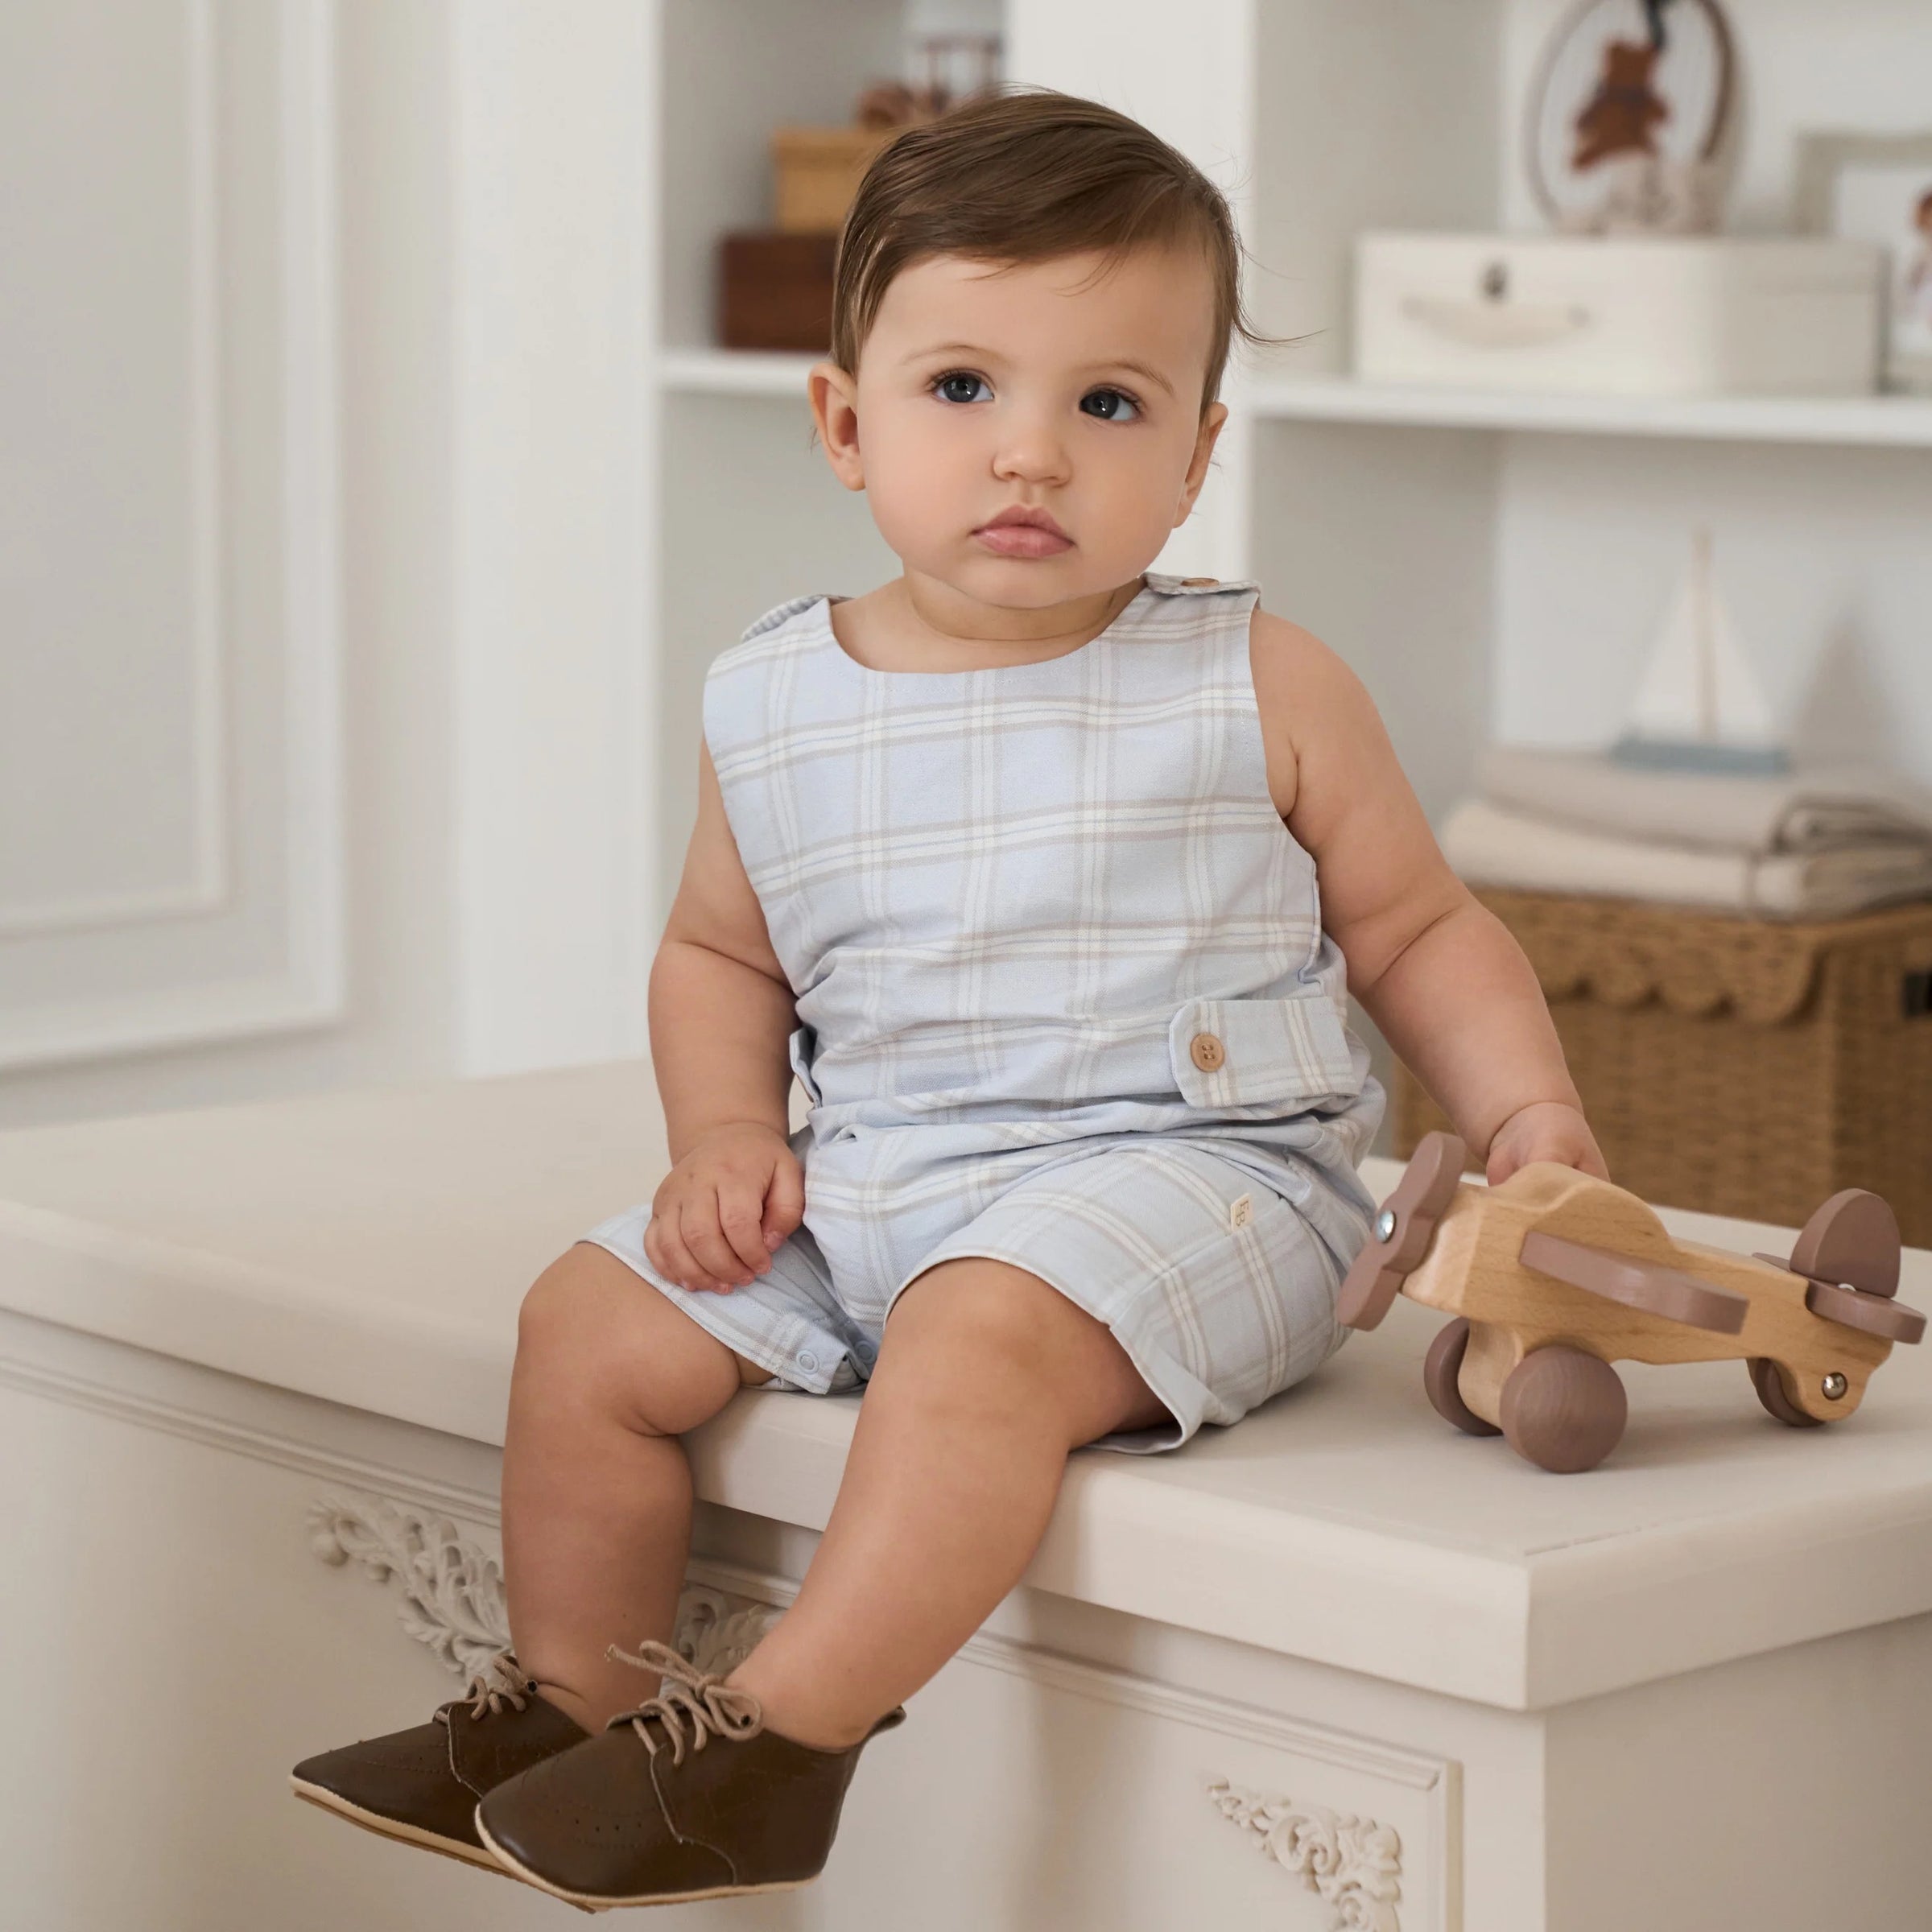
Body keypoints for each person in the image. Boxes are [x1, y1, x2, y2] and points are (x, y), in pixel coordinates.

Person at [291, 87, 1606, 1910]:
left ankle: (777, 1748)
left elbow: (1418, 927)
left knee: (976, 1335)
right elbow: (720, 953)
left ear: (1198, 453)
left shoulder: (1257, 679)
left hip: (1199, 1182)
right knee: (584, 1326)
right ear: (847, 423)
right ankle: (573, 1703)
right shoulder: (774, 701)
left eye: (1109, 404)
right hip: (878, 1174)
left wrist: (1529, 1112)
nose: (1031, 456)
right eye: (965, 387)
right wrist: (725, 1134)